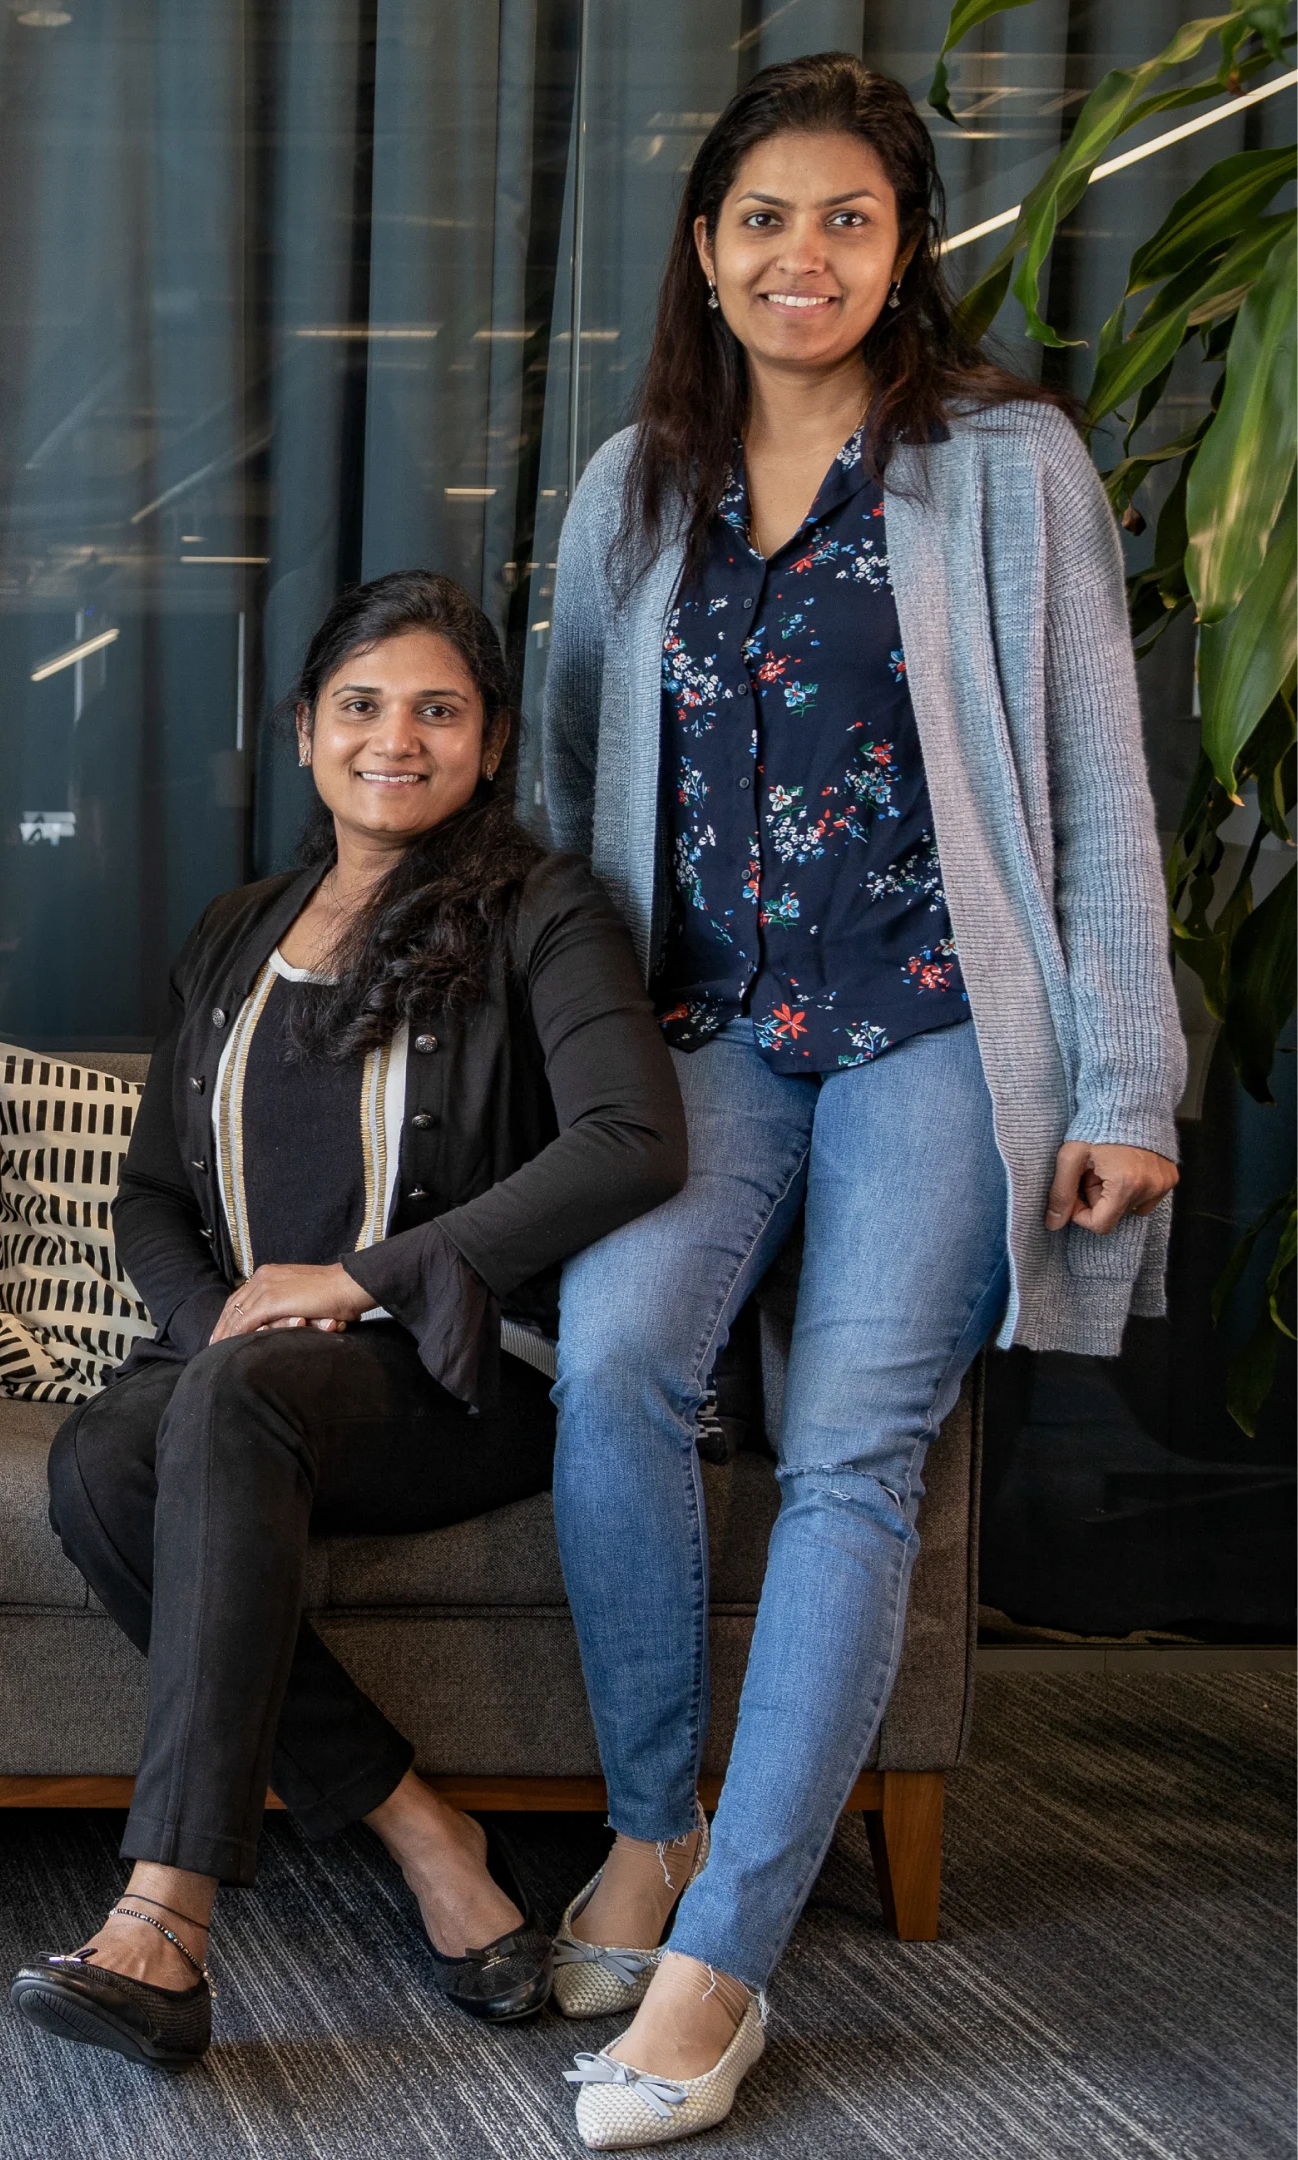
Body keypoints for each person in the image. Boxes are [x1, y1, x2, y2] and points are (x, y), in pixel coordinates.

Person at [541, 53, 1180, 2151]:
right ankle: (648, 1824)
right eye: (757, 218)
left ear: (900, 249)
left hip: (933, 1030)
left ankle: (716, 1960)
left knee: (847, 1446)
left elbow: (1096, 790)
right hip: (700, 1030)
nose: (795, 255)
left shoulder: (1003, 466)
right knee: (616, 1360)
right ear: (702, 251)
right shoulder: (629, 485)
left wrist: (1124, 1076)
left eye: (842, 218)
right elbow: (561, 806)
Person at [8, 571, 685, 2070]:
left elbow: (636, 1140)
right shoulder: (239, 927)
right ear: (306, 731)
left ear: (493, 741)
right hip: (253, 1376)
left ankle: (164, 1923)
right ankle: (427, 1830)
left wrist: (363, 1281)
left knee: (227, 1411)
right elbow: (152, 1196)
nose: (399, 738)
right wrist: (214, 1331)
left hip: (457, 1375)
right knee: (98, 1462)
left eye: (439, 709)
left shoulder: (546, 912)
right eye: (362, 706)